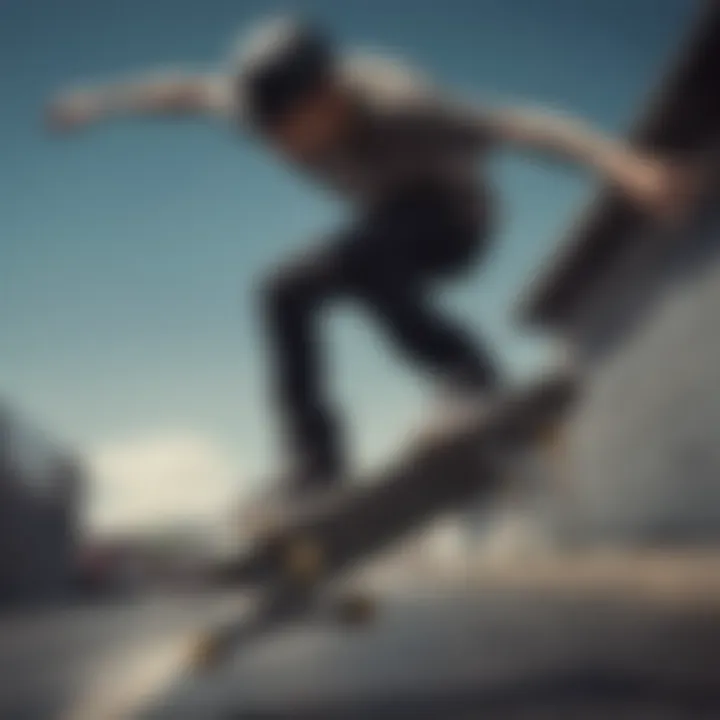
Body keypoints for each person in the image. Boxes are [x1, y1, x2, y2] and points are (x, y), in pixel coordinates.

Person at [47, 15, 693, 498]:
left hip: (456, 224)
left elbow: (523, 127)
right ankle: (318, 463)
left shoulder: (401, 105)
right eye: (267, 134)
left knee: (365, 252)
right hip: (383, 232)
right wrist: (101, 102)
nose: (280, 149)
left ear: (329, 95)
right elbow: (185, 91)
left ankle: (469, 380)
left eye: (291, 130)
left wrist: (626, 166)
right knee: (281, 289)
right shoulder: (259, 108)